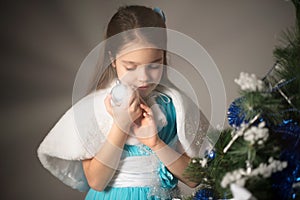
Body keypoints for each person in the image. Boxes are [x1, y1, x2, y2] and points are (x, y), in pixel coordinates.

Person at [37, 5, 210, 200]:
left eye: (154, 65)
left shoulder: (176, 107)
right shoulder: (95, 110)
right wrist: (121, 125)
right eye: (131, 67)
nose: (143, 77)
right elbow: (97, 181)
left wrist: (155, 143)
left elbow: (194, 179)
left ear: (163, 57)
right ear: (113, 59)